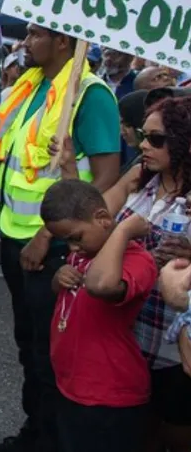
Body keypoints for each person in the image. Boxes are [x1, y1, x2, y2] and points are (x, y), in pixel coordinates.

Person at [0, 25, 120, 452]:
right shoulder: (30, 85)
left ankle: (53, 439)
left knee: (51, 351)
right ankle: (36, 431)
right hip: (12, 234)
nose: (25, 42)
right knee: (30, 345)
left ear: (64, 41)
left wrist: (46, 233)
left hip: (54, 244)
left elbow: (106, 178)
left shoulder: (90, 95)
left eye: (35, 34)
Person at [62, 95, 191, 450]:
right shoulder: (141, 178)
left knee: (176, 431)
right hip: (129, 335)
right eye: (142, 135)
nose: (144, 145)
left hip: (173, 343)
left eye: (157, 139)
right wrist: (71, 172)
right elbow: (97, 222)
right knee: (140, 432)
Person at [40, 179, 156, 452]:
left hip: (109, 395)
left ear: (103, 218)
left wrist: (124, 230)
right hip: (74, 386)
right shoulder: (84, 254)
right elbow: (66, 294)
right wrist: (59, 278)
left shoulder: (135, 259)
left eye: (75, 238)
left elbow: (99, 285)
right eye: (65, 241)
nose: (72, 248)